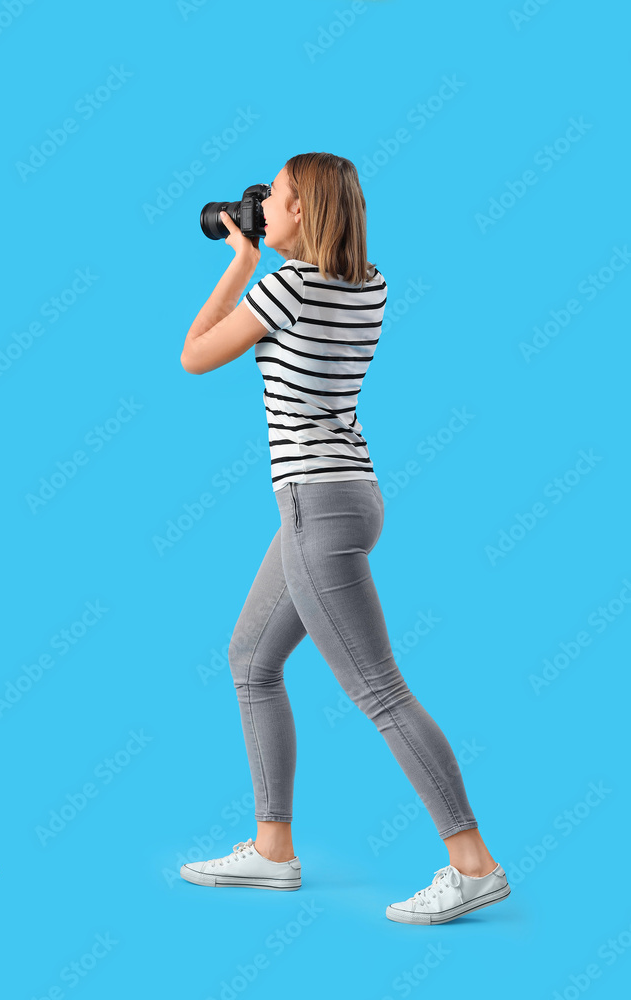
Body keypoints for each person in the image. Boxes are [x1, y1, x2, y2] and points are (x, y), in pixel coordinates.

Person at [178, 152, 510, 924]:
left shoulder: (286, 286)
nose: (266, 207)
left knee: (378, 688)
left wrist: (240, 260)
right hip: (351, 494)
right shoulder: (370, 285)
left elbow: (195, 355)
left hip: (313, 505)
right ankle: (271, 850)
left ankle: (473, 863)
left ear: (306, 213)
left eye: (279, 198)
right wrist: (266, 249)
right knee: (251, 660)